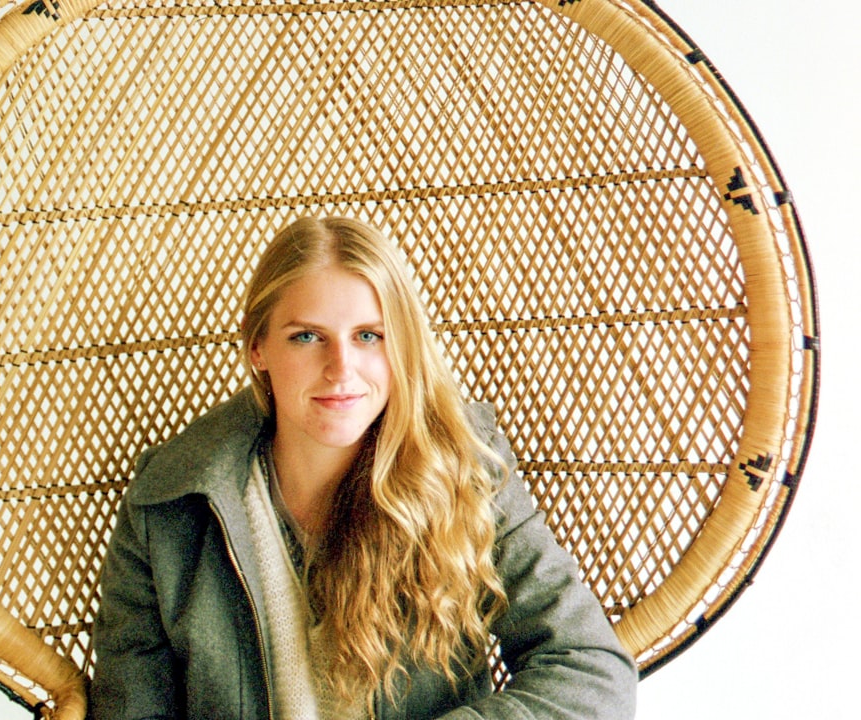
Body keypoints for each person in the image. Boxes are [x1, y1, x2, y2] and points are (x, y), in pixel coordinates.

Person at [90, 216, 637, 719]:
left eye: (369, 336)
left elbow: (590, 668)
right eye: (307, 337)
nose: (341, 368)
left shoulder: (462, 468)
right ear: (258, 347)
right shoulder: (166, 503)